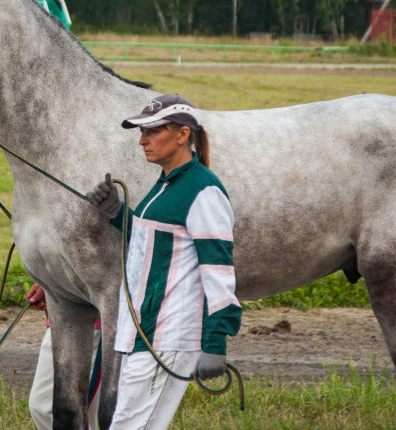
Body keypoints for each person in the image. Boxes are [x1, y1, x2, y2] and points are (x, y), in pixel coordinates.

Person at [87, 94, 242, 429]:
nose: (142, 140)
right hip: (143, 333)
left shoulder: (204, 191)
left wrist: (216, 341)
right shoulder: (166, 184)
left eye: (152, 131)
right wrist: (117, 214)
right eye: (142, 132)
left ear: (182, 135)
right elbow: (152, 246)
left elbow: (218, 271)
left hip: (169, 336)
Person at [26, 283, 103, 430]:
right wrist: (49, 281)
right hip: (61, 318)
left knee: (71, 413)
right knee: (43, 406)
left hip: (92, 321)